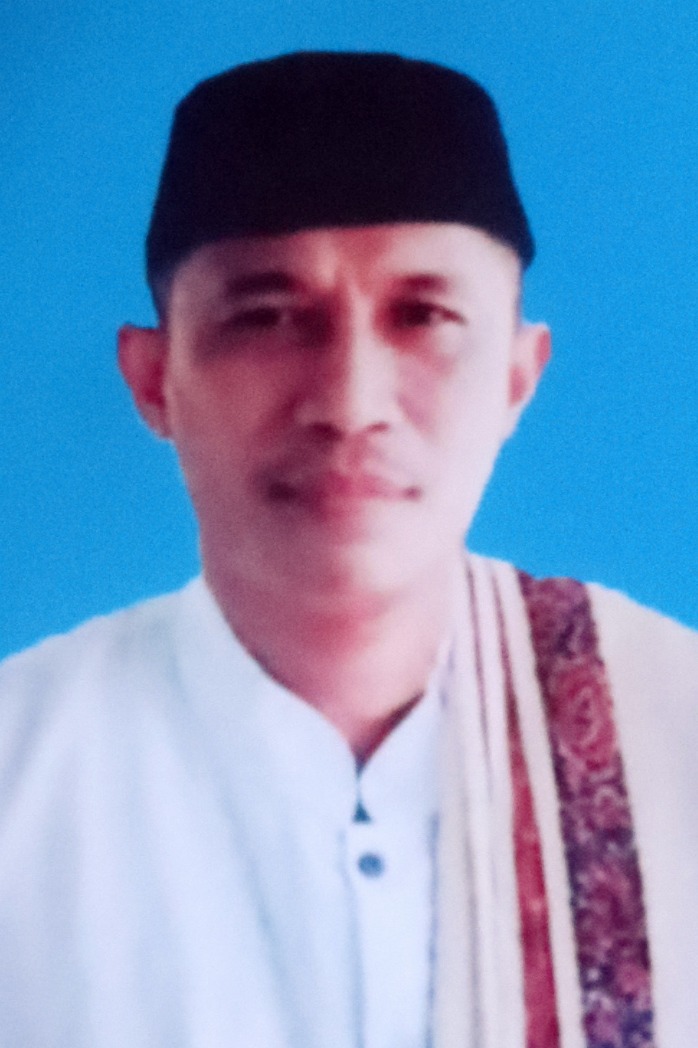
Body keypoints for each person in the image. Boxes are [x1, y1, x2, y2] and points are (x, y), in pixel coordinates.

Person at [0, 50, 696, 1048]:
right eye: (268, 318)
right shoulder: (19, 784)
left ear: (516, 377)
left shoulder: (673, 739)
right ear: (155, 380)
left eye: (424, 316)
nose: (349, 401)